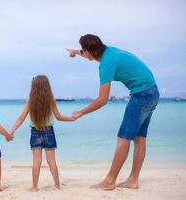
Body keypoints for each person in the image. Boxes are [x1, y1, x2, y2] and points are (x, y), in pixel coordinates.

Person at [67, 34, 159, 190]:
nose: (84, 53)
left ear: (89, 51)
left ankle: (110, 181)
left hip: (141, 95)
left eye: (83, 51)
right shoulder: (108, 51)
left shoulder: (106, 64)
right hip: (153, 93)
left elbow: (102, 100)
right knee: (139, 137)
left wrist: (81, 112)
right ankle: (133, 180)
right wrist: (75, 52)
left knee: (123, 137)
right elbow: (89, 54)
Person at [10, 75, 75, 192]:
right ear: (47, 87)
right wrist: (71, 118)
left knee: (36, 161)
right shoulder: (51, 100)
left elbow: (21, 118)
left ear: (33, 87)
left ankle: (35, 187)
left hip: (35, 132)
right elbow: (59, 117)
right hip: (49, 131)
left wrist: (12, 131)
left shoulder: (31, 101)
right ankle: (57, 185)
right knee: (51, 161)